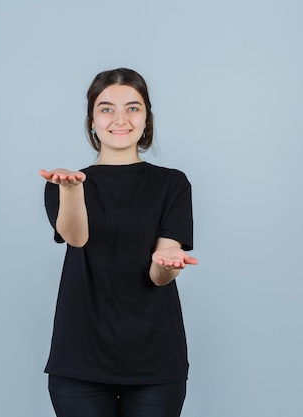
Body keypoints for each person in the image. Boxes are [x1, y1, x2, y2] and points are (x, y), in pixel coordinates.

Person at [39, 68, 198, 417]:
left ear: (146, 119)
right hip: (79, 360)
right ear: (92, 121)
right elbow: (77, 237)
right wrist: (71, 189)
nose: (120, 119)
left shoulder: (172, 185)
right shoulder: (63, 184)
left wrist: (166, 263)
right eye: (107, 108)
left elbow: (159, 275)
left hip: (156, 362)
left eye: (133, 108)